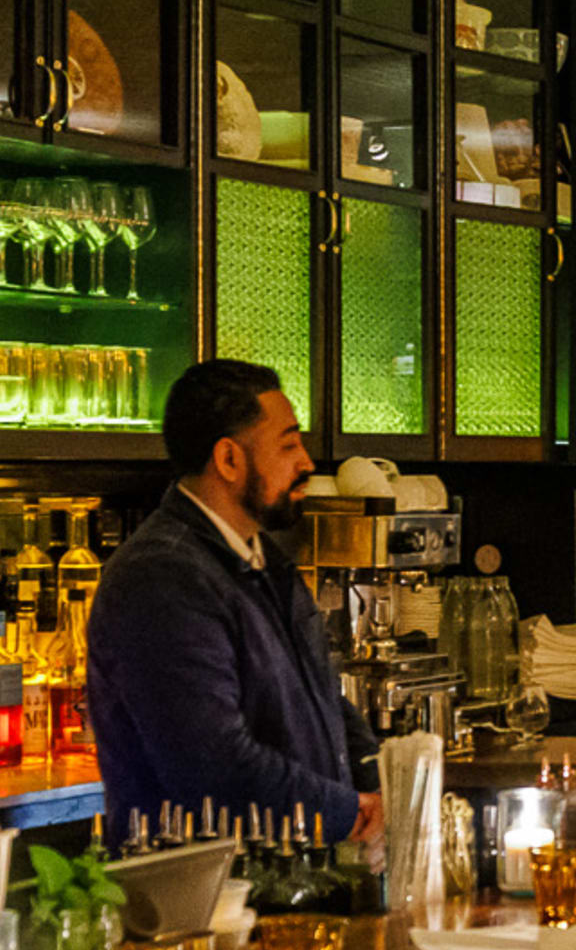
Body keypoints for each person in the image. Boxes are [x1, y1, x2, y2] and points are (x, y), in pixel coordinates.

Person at [84, 359, 380, 842]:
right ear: (228, 460)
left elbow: (321, 699)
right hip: (205, 899)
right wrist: (346, 813)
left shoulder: (264, 558)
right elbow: (212, 765)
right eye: (288, 445)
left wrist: (377, 780)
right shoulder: (161, 577)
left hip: (287, 880)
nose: (305, 462)